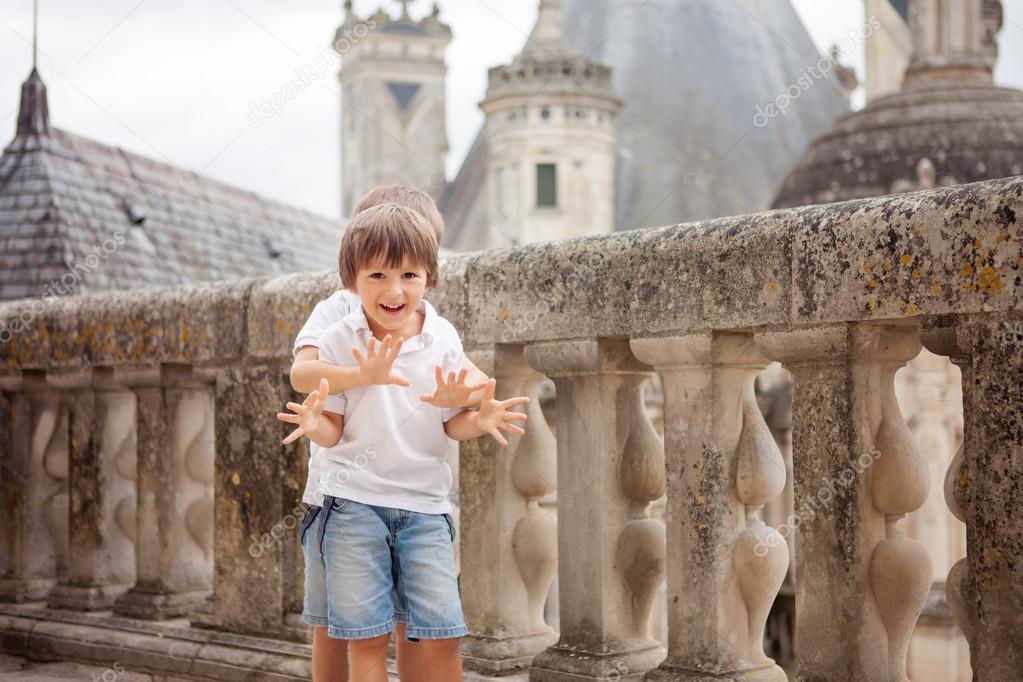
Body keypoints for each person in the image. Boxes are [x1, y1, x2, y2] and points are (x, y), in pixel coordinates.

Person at [278, 203, 528, 682]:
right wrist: (315, 423)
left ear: (429, 278)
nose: (394, 290)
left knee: (442, 635)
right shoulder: (338, 337)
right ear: (353, 281)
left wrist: (479, 416)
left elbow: (450, 423)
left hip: (425, 510)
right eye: (377, 275)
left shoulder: (442, 336)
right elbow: (333, 429)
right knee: (367, 638)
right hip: (353, 505)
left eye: (409, 274)